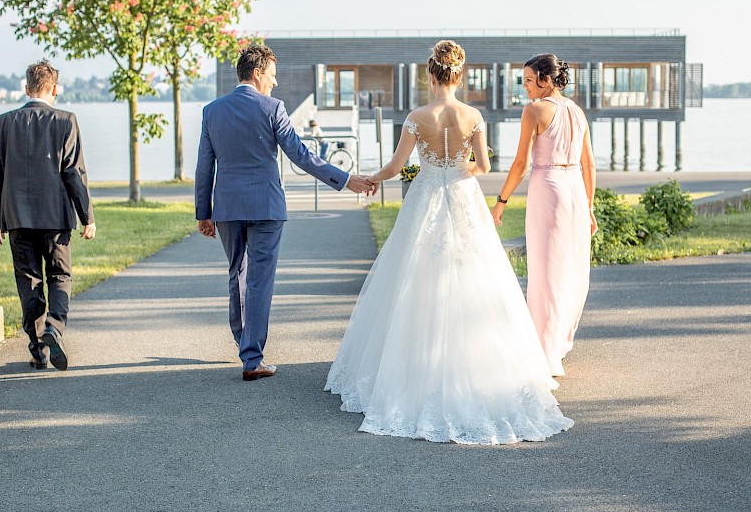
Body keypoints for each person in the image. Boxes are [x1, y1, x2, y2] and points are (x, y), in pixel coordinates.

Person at [324, 41, 572, 444]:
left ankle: (413, 367)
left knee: (415, 277)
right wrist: (460, 168)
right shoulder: (472, 115)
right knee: (475, 275)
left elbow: (395, 166)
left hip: (425, 197)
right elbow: (486, 166)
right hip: (462, 195)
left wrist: (371, 178)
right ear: (459, 75)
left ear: (430, 74)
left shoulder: (417, 116)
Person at [195, 44, 376, 382]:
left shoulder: (211, 111)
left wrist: (202, 212)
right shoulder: (273, 108)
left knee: (237, 273)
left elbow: (205, 165)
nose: (275, 84)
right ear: (258, 73)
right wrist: (345, 179)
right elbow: (301, 155)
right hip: (266, 206)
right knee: (260, 280)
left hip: (227, 208)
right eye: (273, 76)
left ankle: (244, 342)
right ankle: (252, 358)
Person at [0, 60, 96, 371]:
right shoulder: (66, 121)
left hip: (17, 215)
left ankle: (38, 350)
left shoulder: (2, 123)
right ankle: (54, 327)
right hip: (56, 214)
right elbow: (75, 171)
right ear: (54, 89)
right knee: (60, 275)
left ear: (26, 88)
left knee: (28, 279)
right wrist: (86, 215)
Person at [491, 53, 597, 377]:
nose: (524, 88)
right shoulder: (577, 112)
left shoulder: (534, 110)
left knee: (545, 271)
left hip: (548, 190)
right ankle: (557, 344)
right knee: (570, 270)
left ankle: (543, 350)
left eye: (527, 81)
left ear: (545, 80)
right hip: (575, 191)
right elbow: (589, 165)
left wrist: (501, 202)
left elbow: (521, 163)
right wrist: (590, 207)